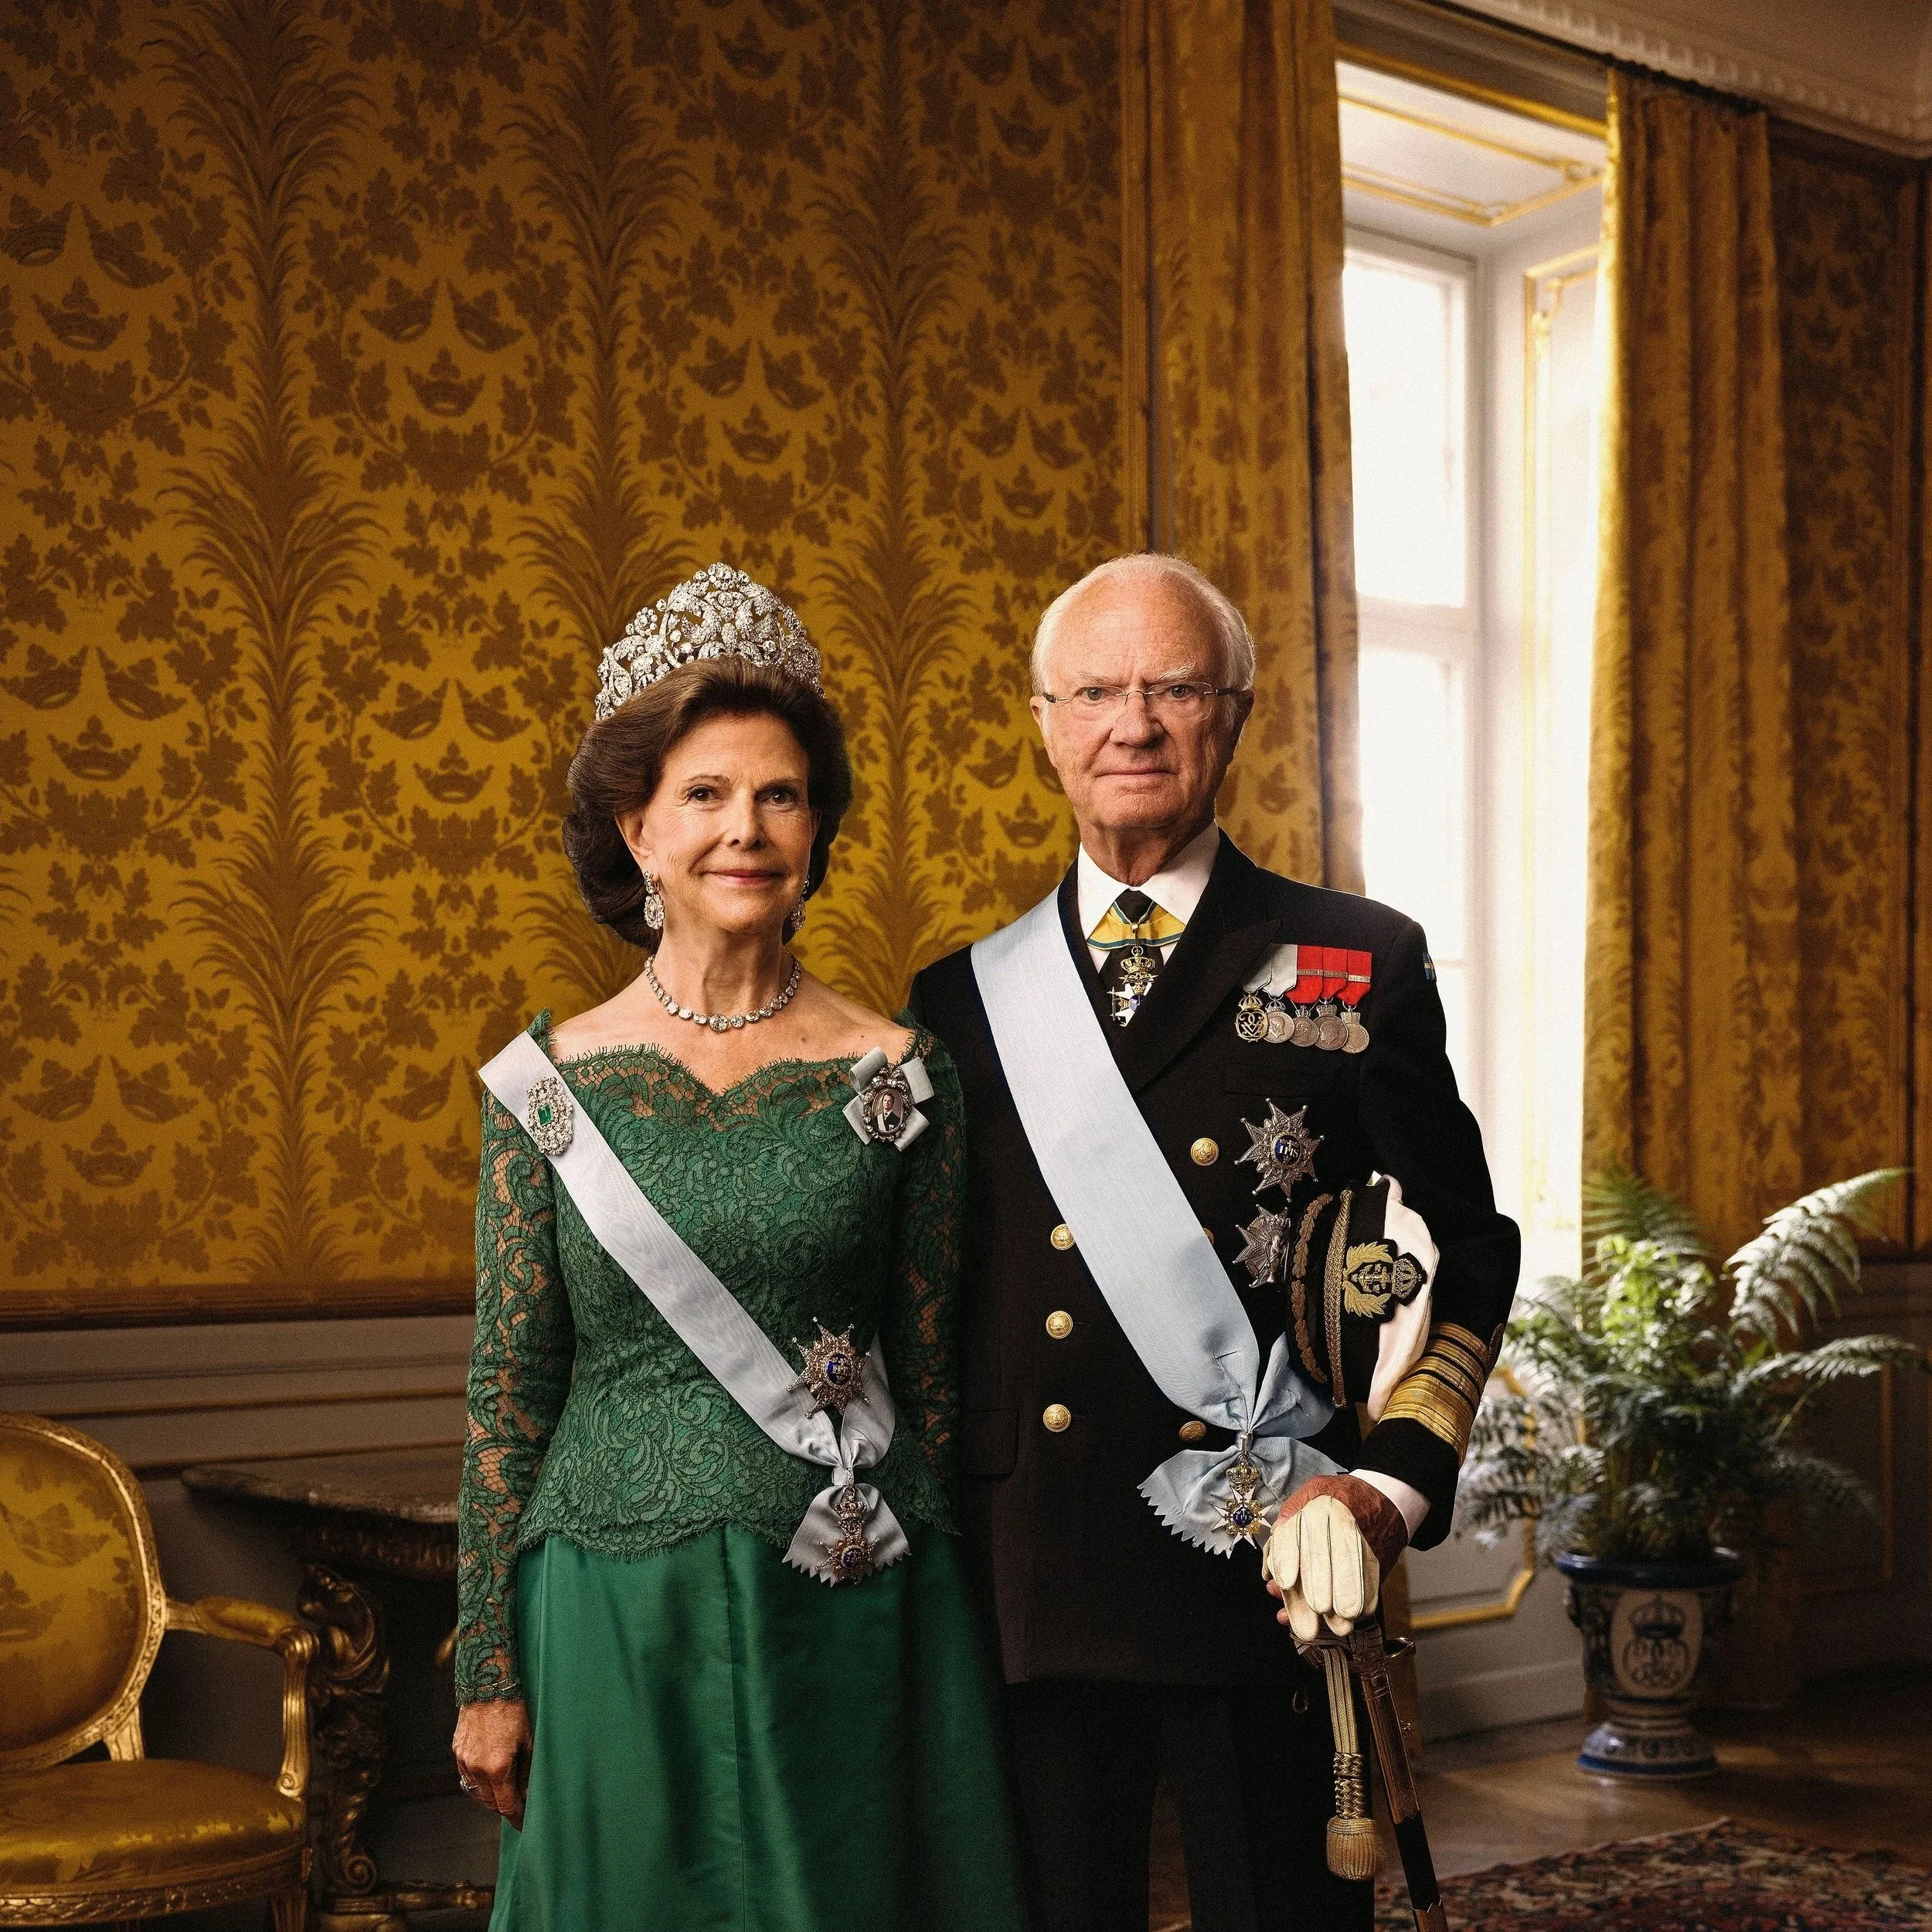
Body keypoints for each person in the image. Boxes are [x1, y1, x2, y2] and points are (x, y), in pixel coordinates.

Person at [910, 554, 1521, 1932]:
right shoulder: (958, 1001)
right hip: (1041, 1568)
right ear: (1045, 722)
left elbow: (1470, 1254)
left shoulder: (1357, 960)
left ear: (1235, 714)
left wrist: (1385, 1487)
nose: (1132, 724)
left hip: (1270, 1565)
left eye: (1174, 688)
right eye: (1096, 691)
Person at [451, 564, 1027, 1932]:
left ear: (816, 830)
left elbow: (931, 1380)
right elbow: (508, 1391)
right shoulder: (548, 1084)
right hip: (612, 1607)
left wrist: (952, 1645)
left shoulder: (902, 1071)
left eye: (781, 795)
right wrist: (486, 1667)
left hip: (850, 1595)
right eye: (704, 794)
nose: (745, 830)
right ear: (637, 830)